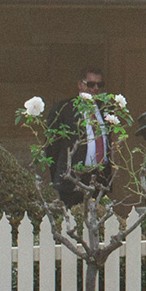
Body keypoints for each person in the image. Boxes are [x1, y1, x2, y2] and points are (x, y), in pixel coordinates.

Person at [49, 68, 115, 206]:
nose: (95, 88)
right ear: (80, 84)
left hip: (99, 178)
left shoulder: (105, 109)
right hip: (72, 179)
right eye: (90, 84)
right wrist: (61, 174)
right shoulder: (65, 109)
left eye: (99, 85)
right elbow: (51, 147)